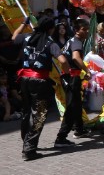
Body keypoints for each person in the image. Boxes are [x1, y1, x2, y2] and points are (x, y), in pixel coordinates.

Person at [12, 16, 70, 161]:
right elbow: (63, 60)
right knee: (39, 115)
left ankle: (26, 141)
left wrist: (23, 24)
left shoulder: (26, 37)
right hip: (40, 81)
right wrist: (66, 74)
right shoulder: (50, 43)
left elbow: (13, 38)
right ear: (50, 29)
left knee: (26, 112)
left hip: (24, 80)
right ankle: (29, 148)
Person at [55, 18, 93, 147]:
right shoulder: (76, 42)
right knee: (71, 106)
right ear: (77, 30)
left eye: (88, 29)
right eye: (84, 29)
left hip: (69, 77)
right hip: (72, 78)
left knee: (76, 104)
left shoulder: (70, 40)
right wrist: (87, 70)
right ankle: (61, 137)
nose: (87, 32)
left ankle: (79, 130)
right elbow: (75, 57)